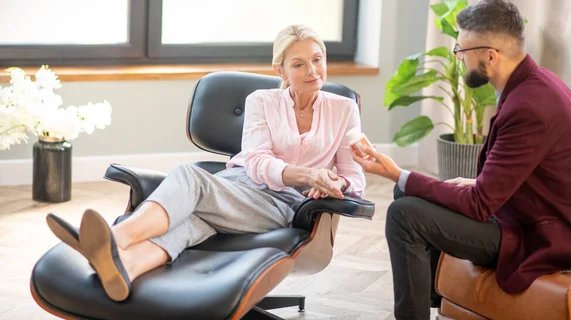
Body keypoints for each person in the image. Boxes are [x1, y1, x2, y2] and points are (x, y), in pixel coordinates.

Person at [46, 24, 366, 302]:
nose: (312, 70)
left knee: (189, 176)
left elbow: (354, 175)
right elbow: (255, 160)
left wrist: (337, 183)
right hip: (239, 185)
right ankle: (126, 268)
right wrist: (307, 173)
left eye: (317, 59)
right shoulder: (261, 101)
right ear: (280, 70)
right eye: (299, 64)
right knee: (194, 221)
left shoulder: (344, 109)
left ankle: (114, 241)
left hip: (285, 203)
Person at [352, 0, 571, 320]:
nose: (458, 59)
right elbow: (528, 174)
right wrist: (468, 183)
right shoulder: (533, 86)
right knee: (406, 193)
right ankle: (434, 302)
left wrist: (395, 172)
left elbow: (479, 205)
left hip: (549, 237)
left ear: (490, 56)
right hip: (533, 216)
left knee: (404, 215)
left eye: (462, 51)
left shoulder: (529, 107)